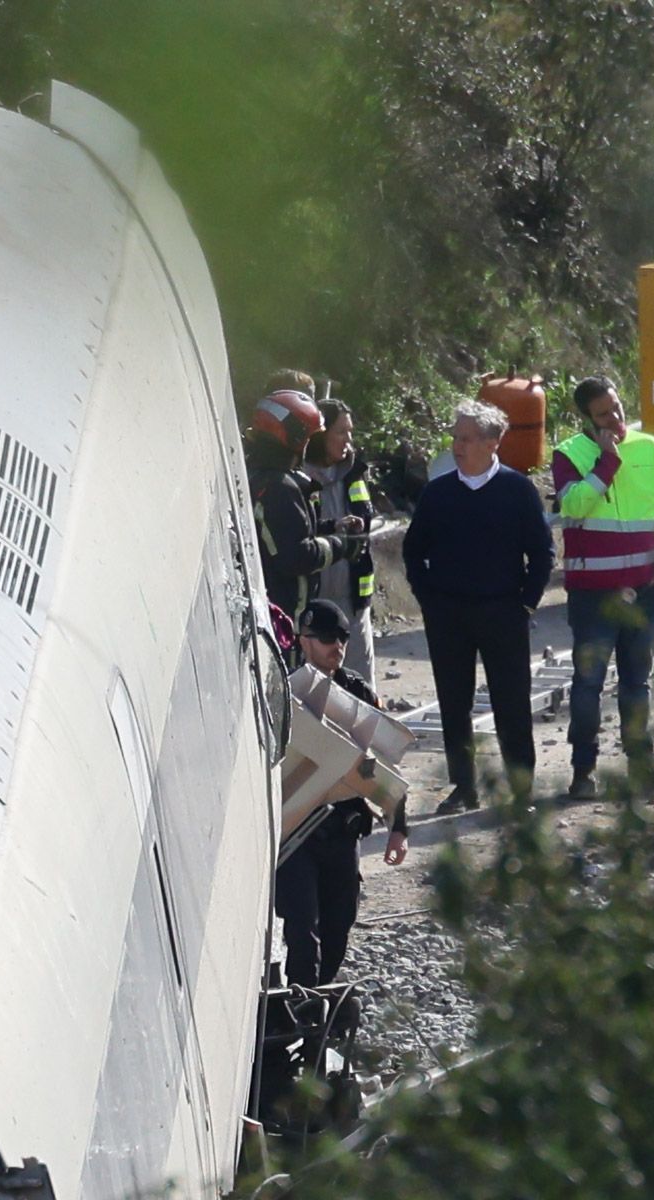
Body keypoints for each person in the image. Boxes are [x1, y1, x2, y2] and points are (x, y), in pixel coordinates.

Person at [403, 400, 555, 813]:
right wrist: (429, 600)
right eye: (454, 437)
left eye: (466, 438)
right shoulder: (438, 493)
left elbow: (542, 553)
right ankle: (463, 787)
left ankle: (520, 790)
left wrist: (525, 603)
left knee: (512, 704)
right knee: (454, 703)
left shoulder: (518, 490)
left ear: (493, 442)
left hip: (503, 612)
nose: (457, 445)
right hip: (448, 615)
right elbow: (413, 551)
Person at [552, 376, 654, 799]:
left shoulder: (650, 447)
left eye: (617, 407)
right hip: (594, 594)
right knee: (588, 683)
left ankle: (640, 771)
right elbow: (571, 507)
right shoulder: (569, 454)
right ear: (588, 421)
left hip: (644, 589)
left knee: (636, 683)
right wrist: (606, 464)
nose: (616, 418)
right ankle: (583, 772)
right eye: (604, 414)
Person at [274, 599, 409, 988]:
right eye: (327, 638)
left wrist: (398, 827)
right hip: (297, 836)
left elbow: (385, 767)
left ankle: (318, 1002)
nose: (338, 646)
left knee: (339, 926)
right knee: (302, 930)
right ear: (304, 641)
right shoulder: (285, 692)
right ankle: (304, 1006)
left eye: (344, 638)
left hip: (342, 832)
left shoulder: (356, 694)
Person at [245, 383, 364, 627]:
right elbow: (296, 555)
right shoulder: (280, 488)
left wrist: (331, 526)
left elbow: (283, 532)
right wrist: (343, 545)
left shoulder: (260, 475)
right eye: (311, 437)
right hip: (287, 620)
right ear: (296, 438)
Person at [301, 398, 378, 684]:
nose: (348, 440)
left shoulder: (354, 473)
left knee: (360, 684)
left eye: (350, 432)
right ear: (321, 435)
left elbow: (365, 516)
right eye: (341, 432)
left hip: (352, 601)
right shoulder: (299, 477)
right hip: (313, 601)